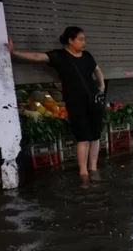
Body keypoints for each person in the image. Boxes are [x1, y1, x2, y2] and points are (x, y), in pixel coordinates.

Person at [7, 27, 105, 187]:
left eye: (84, 39)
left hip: (93, 101)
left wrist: (101, 86)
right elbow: (38, 56)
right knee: (83, 138)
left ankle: (93, 168)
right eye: (80, 39)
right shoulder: (60, 56)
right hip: (76, 103)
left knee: (95, 136)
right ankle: (83, 172)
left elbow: (97, 70)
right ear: (70, 41)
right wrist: (14, 52)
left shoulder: (87, 56)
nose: (83, 42)